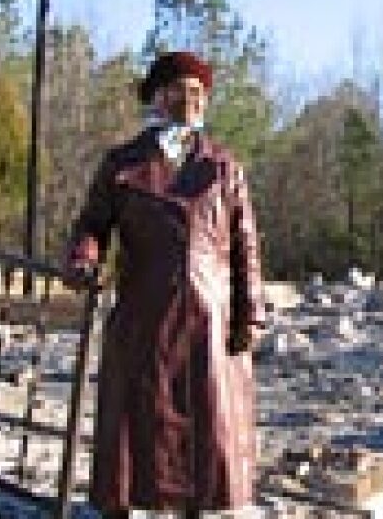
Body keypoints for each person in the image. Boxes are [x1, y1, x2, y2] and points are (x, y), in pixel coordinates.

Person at [62, 51, 266, 518]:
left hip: (209, 320)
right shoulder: (121, 164)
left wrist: (248, 313)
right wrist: (83, 258)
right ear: (157, 97)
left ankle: (198, 506)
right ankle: (127, 504)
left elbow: (245, 246)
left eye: (199, 93)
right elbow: (92, 225)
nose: (191, 100)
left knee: (206, 425)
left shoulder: (223, 167)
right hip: (143, 313)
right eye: (180, 90)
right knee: (137, 425)